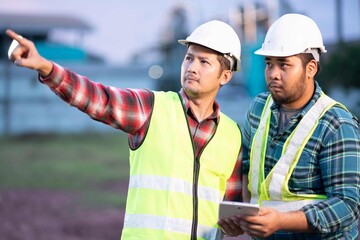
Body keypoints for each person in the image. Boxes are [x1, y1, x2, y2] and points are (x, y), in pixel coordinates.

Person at [6, 20, 244, 240]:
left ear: (225, 75)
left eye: (204, 62)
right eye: (189, 58)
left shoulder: (232, 135)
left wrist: (237, 223)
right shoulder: (152, 108)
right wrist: (45, 67)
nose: (192, 67)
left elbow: (230, 210)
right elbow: (97, 98)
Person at [218, 13, 360, 239]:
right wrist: (239, 217)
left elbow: (347, 205)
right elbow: (246, 169)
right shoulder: (258, 108)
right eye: (269, 64)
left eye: (284, 65)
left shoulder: (336, 123)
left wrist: (281, 221)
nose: (273, 74)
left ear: (311, 68)